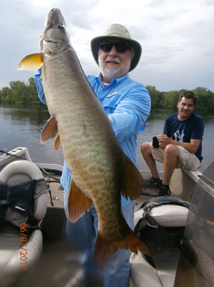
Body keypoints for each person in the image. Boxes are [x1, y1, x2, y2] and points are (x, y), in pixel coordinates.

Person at [34, 24, 151, 287]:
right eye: (105, 46)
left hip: (113, 194)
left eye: (121, 47)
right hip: (73, 184)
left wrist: (83, 119)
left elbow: (126, 120)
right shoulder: (80, 82)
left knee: (112, 268)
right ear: (98, 53)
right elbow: (46, 95)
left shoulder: (138, 93)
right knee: (79, 257)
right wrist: (46, 61)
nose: (112, 52)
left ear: (131, 56)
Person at [141, 90, 204, 196]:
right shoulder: (170, 119)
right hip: (173, 154)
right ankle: (156, 179)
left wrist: (170, 142)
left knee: (170, 148)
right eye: (183, 104)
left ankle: (165, 188)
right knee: (145, 147)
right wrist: (158, 144)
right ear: (178, 104)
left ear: (193, 107)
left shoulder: (197, 121)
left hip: (193, 158)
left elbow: (194, 148)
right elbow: (166, 142)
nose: (185, 108)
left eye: (189, 105)